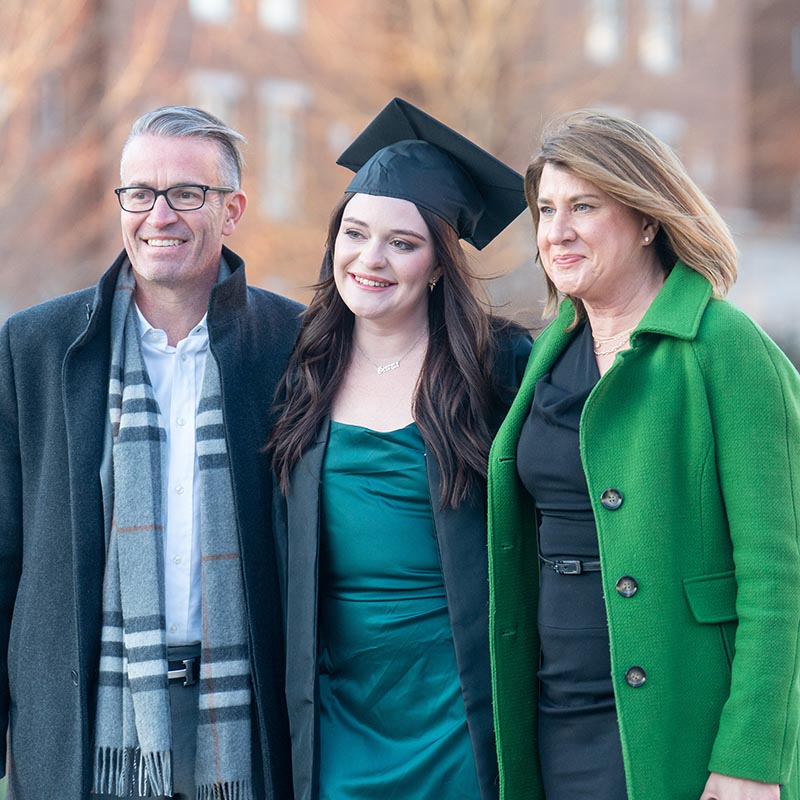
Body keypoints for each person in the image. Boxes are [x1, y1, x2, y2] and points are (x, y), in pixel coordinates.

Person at [487, 109, 800, 800]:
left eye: (584, 206)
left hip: (680, 715)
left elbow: (782, 576)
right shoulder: (550, 351)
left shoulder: (726, 346)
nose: (556, 231)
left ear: (648, 217)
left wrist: (753, 756)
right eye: (545, 209)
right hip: (555, 706)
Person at [0, 105, 302, 800]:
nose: (158, 214)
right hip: (81, 725)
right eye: (139, 193)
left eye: (186, 194)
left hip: (245, 720)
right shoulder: (37, 349)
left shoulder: (295, 347)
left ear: (232, 211)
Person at [268, 97, 531, 800]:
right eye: (355, 233)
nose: (370, 259)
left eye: (403, 243)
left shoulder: (498, 368)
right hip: (336, 710)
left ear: (440, 265)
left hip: (457, 710)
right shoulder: (300, 366)